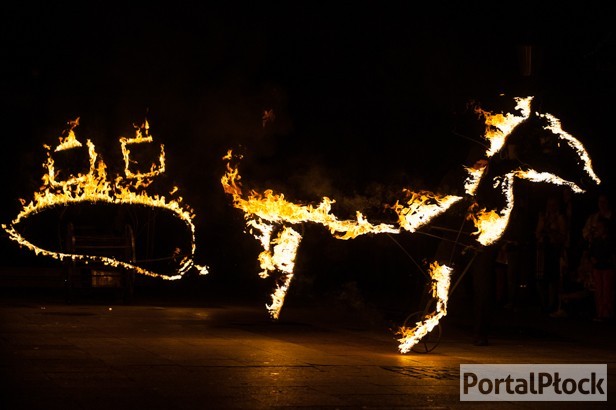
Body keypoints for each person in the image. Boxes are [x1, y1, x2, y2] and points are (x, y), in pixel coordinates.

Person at [535, 194, 567, 314]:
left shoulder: (560, 218)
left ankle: (551, 304)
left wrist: (550, 232)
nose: (550, 207)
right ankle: (543, 303)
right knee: (540, 279)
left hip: (553, 251)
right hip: (542, 251)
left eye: (553, 205)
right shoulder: (544, 217)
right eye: (549, 205)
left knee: (552, 279)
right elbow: (537, 234)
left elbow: (562, 236)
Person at [588, 217, 616, 321]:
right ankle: (600, 313)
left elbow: (609, 253)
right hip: (597, 268)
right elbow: (591, 252)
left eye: (600, 227)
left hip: (607, 269)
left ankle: (607, 313)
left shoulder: (610, 240)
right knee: (599, 291)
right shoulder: (596, 240)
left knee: (607, 291)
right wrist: (592, 259)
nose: (597, 228)